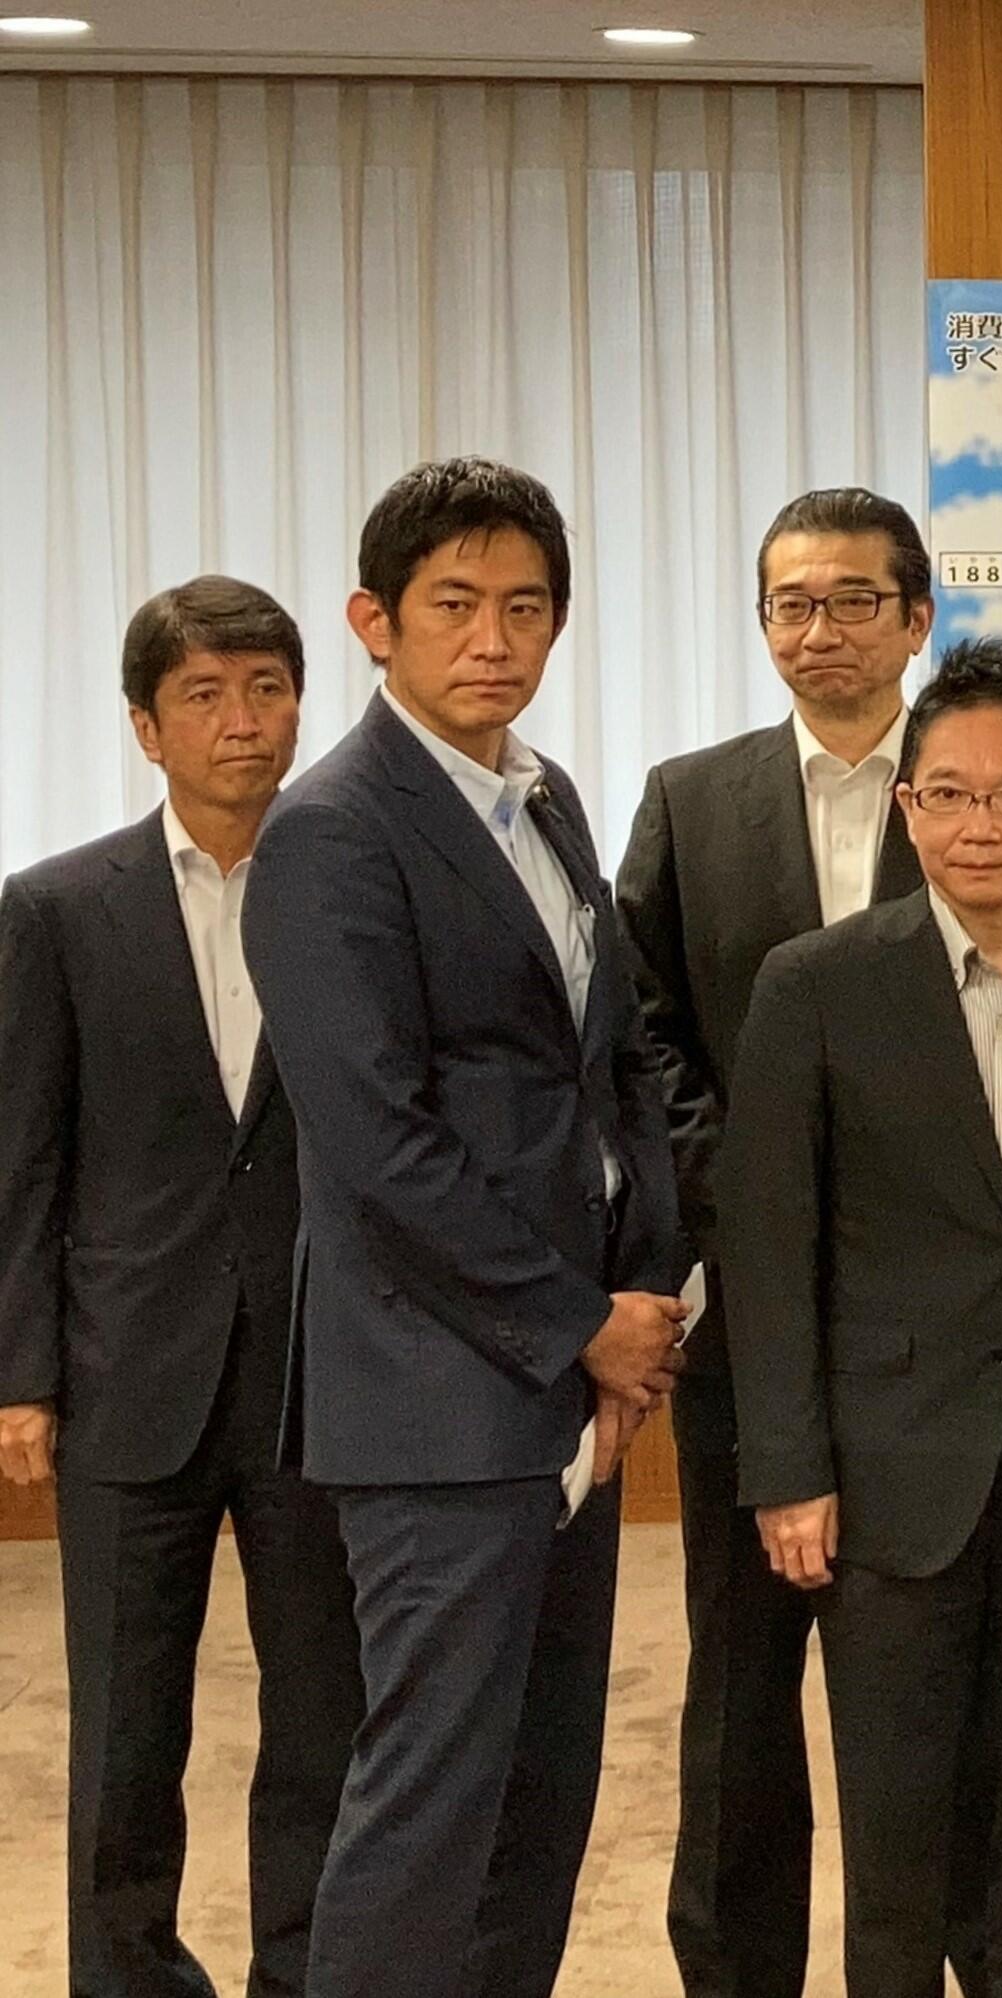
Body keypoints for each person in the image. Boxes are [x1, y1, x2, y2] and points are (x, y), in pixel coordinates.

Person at [240, 457, 691, 1998]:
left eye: (525, 605)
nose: (493, 637)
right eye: (453, 604)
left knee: (539, 1796)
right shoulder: (334, 831)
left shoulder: (547, 797)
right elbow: (378, 1145)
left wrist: (644, 1293)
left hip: (578, 1375)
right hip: (436, 1392)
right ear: (375, 620)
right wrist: (574, 1320)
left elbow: (613, 1060)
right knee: (425, 1798)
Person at [723, 639, 1002, 1998]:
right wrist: (788, 1467)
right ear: (906, 805)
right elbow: (766, 1238)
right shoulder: (814, 981)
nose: (982, 826)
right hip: (886, 1468)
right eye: (950, 794)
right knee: (899, 1820)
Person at [617, 486, 1002, 1998]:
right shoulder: (689, 798)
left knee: (943, 1668)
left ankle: (962, 1950)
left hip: (947, 1317)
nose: (819, 629)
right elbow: (640, 1034)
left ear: (916, 621)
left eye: (855, 599)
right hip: (754, 1302)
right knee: (740, 1665)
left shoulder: (987, 788)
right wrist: (752, 1180)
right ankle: (735, 1968)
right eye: (791, 602)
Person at [0, 578, 362, 1997]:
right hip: (127, 1374)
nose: (243, 722)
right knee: (125, 1729)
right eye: (206, 695)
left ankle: (305, 1966)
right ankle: (129, 1974)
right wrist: (22, 1371)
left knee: (323, 1711)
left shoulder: (358, 882)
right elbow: (23, 1157)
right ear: (147, 726)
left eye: (267, 686)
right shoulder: (56, 907)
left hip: (319, 1372)